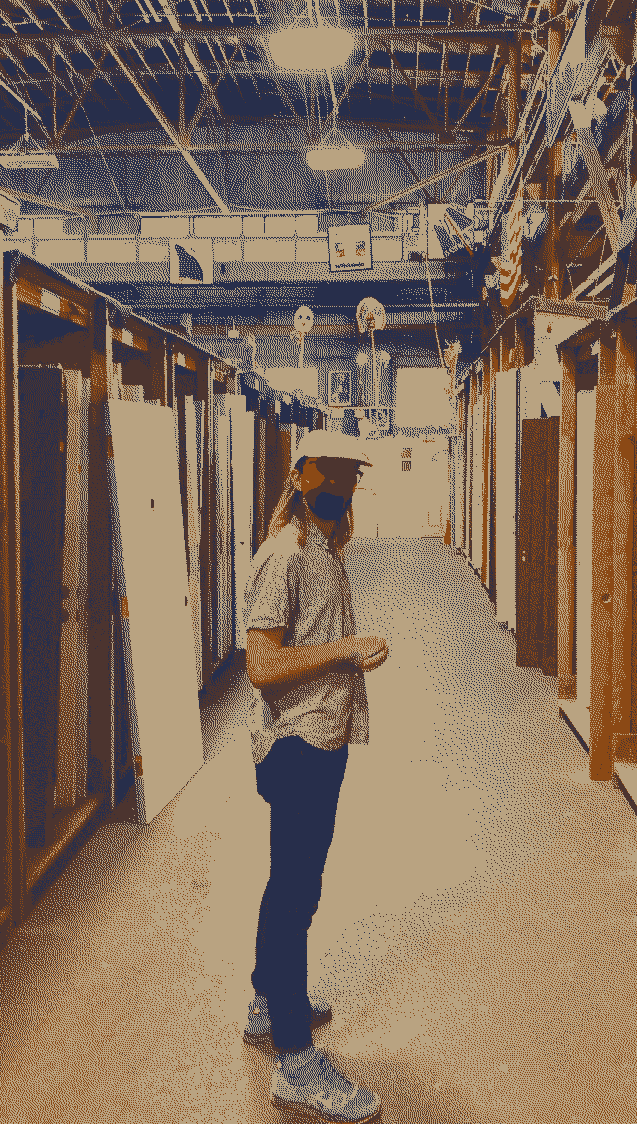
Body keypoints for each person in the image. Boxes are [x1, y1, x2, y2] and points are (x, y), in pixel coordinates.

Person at [242, 431, 389, 1124]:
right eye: (334, 476)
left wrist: (347, 658)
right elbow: (263, 666)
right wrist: (348, 651)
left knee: (294, 881)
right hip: (296, 742)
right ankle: (295, 1064)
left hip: (321, 734)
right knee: (295, 889)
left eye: (352, 477)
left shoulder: (326, 549)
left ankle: (270, 1003)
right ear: (305, 480)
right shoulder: (286, 556)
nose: (345, 488)